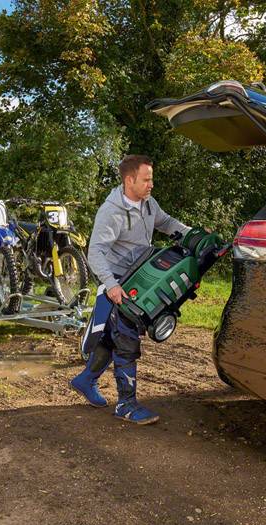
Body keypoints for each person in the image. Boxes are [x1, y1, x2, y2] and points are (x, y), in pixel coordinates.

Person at [70, 154, 189, 424]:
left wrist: (191, 234)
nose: (151, 184)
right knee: (126, 341)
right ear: (129, 180)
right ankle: (126, 404)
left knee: (114, 338)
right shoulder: (111, 212)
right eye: (146, 179)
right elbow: (96, 252)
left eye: (151, 179)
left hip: (138, 276)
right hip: (118, 283)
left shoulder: (148, 203)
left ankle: (86, 379)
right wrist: (111, 286)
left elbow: (166, 222)